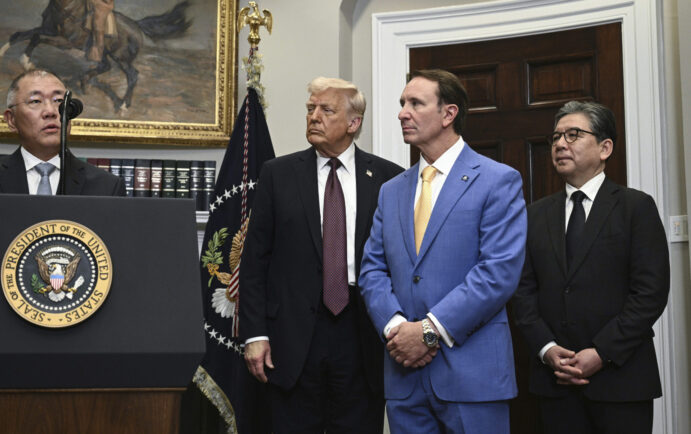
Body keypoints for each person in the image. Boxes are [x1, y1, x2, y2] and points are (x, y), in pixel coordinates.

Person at [359, 69, 526, 434]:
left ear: (449, 114)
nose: (402, 113)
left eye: (415, 103)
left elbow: (498, 272)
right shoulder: (391, 190)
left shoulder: (498, 180)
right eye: (402, 103)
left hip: (473, 377)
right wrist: (397, 329)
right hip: (404, 377)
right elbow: (372, 269)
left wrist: (429, 332)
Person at [240, 77, 403, 433]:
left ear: (353, 123)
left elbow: (399, 263)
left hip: (361, 332)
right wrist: (255, 335)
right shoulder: (278, 174)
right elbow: (254, 262)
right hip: (292, 335)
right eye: (310, 108)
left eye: (326, 110)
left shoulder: (389, 179)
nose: (314, 117)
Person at [511, 101, 669, 434]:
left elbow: (650, 293)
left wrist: (601, 352)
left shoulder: (635, 207)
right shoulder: (534, 215)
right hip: (555, 382)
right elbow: (522, 292)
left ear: (604, 148)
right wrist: (547, 349)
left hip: (622, 380)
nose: (560, 144)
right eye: (556, 137)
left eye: (573, 134)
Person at [0, 69, 125, 196]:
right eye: (36, 101)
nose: (50, 111)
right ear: (11, 120)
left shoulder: (107, 186)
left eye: (58, 101)